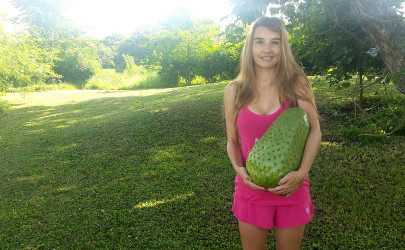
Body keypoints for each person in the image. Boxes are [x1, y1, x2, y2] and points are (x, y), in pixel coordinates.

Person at [224, 16, 322, 249]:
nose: (267, 49)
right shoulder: (234, 91)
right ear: (250, 46)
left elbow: (315, 129)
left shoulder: (297, 83)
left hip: (291, 188)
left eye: (275, 42)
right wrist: (239, 168)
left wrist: (301, 173)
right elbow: (231, 140)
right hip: (250, 189)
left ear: (282, 47)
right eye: (260, 41)